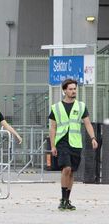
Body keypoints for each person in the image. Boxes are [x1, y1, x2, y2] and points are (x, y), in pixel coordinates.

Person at [49, 79, 98, 211]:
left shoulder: (81, 106)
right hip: (62, 142)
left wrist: (93, 137)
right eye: (70, 89)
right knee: (66, 169)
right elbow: (52, 128)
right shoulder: (56, 107)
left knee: (71, 173)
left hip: (75, 143)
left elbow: (87, 123)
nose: (73, 91)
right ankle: (63, 199)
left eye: (74, 89)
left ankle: (67, 199)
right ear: (64, 90)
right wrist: (53, 145)